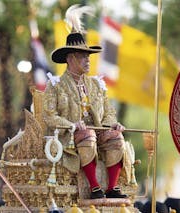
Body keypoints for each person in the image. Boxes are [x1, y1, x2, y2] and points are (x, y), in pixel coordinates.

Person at [43, 5, 129, 199]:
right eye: (83, 56)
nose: (88, 60)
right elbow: (49, 115)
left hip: (96, 132)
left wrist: (112, 125)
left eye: (88, 56)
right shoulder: (55, 85)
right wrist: (72, 125)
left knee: (116, 136)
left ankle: (112, 188)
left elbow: (109, 111)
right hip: (68, 136)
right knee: (86, 135)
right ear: (70, 58)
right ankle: (94, 187)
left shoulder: (97, 84)